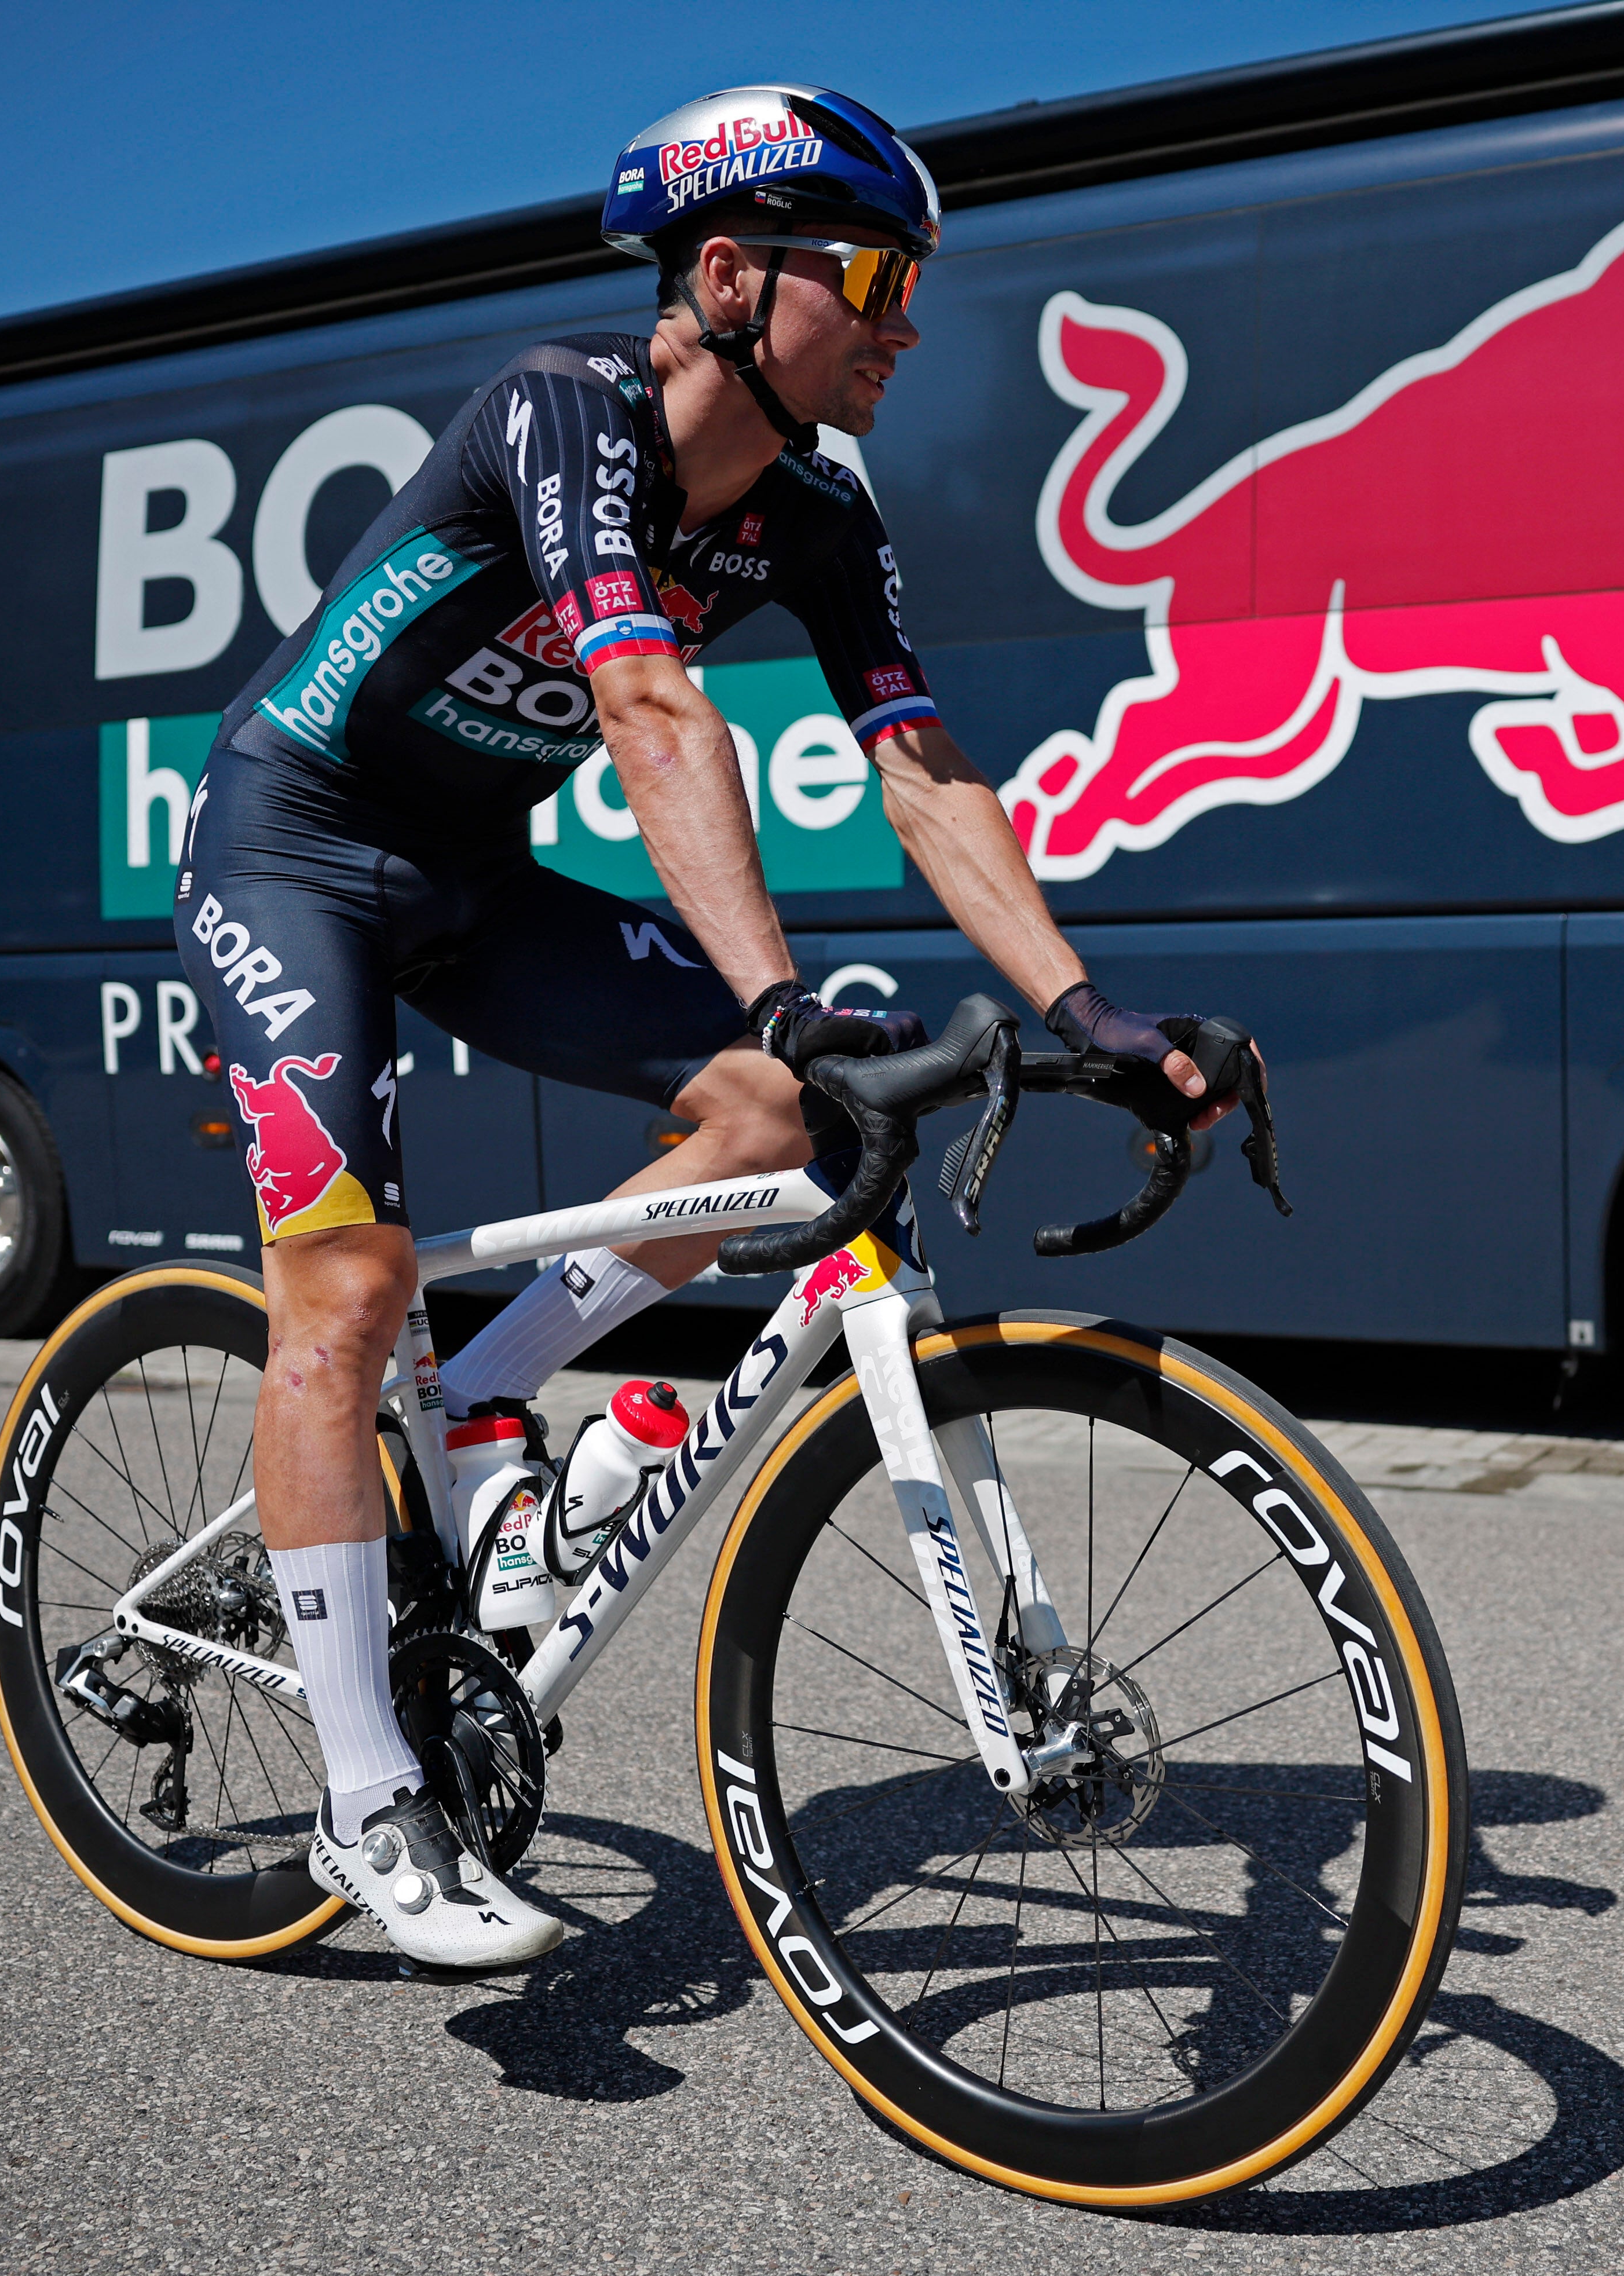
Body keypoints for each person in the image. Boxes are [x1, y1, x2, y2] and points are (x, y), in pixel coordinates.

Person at [177, 84, 1240, 1968]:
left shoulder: (817, 517)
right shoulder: (557, 407)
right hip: (299, 844)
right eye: (880, 279)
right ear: (732, 276)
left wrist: (1080, 1004)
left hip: (471, 878)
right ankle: (365, 1805)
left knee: (785, 1123)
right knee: (342, 1287)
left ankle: (487, 1385)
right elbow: (656, 714)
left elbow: (920, 770)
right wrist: (773, 985)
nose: (909, 322)